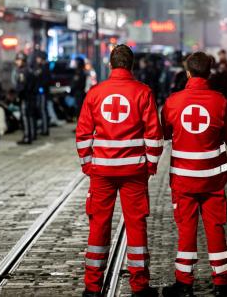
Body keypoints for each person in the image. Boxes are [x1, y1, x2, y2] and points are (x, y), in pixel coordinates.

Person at [75, 45, 163, 297]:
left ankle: (92, 286)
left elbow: (82, 133)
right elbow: (153, 134)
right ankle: (140, 286)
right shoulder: (143, 92)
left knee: (98, 224)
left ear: (111, 65)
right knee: (136, 225)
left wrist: (88, 163)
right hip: (134, 171)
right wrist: (151, 164)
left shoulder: (95, 93)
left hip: (101, 172)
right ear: (132, 65)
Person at [161, 52, 227, 297]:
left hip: (183, 179)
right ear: (209, 73)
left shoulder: (173, 101)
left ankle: (184, 283)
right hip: (213, 178)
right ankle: (222, 282)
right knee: (215, 226)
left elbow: (164, 133)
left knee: (186, 228)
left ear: (188, 73)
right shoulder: (220, 101)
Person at [14, 52, 36, 144]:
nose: (17, 62)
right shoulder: (29, 70)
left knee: (25, 117)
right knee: (30, 116)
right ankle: (32, 135)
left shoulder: (22, 72)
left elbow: (21, 86)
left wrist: (18, 96)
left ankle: (27, 137)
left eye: (19, 60)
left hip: (25, 97)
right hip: (30, 96)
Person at [33, 51, 51, 136]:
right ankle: (44, 128)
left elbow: (45, 81)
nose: (37, 60)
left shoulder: (44, 68)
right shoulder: (41, 67)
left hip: (43, 92)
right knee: (42, 109)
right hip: (41, 91)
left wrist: (41, 88)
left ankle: (45, 129)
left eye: (38, 58)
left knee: (43, 109)